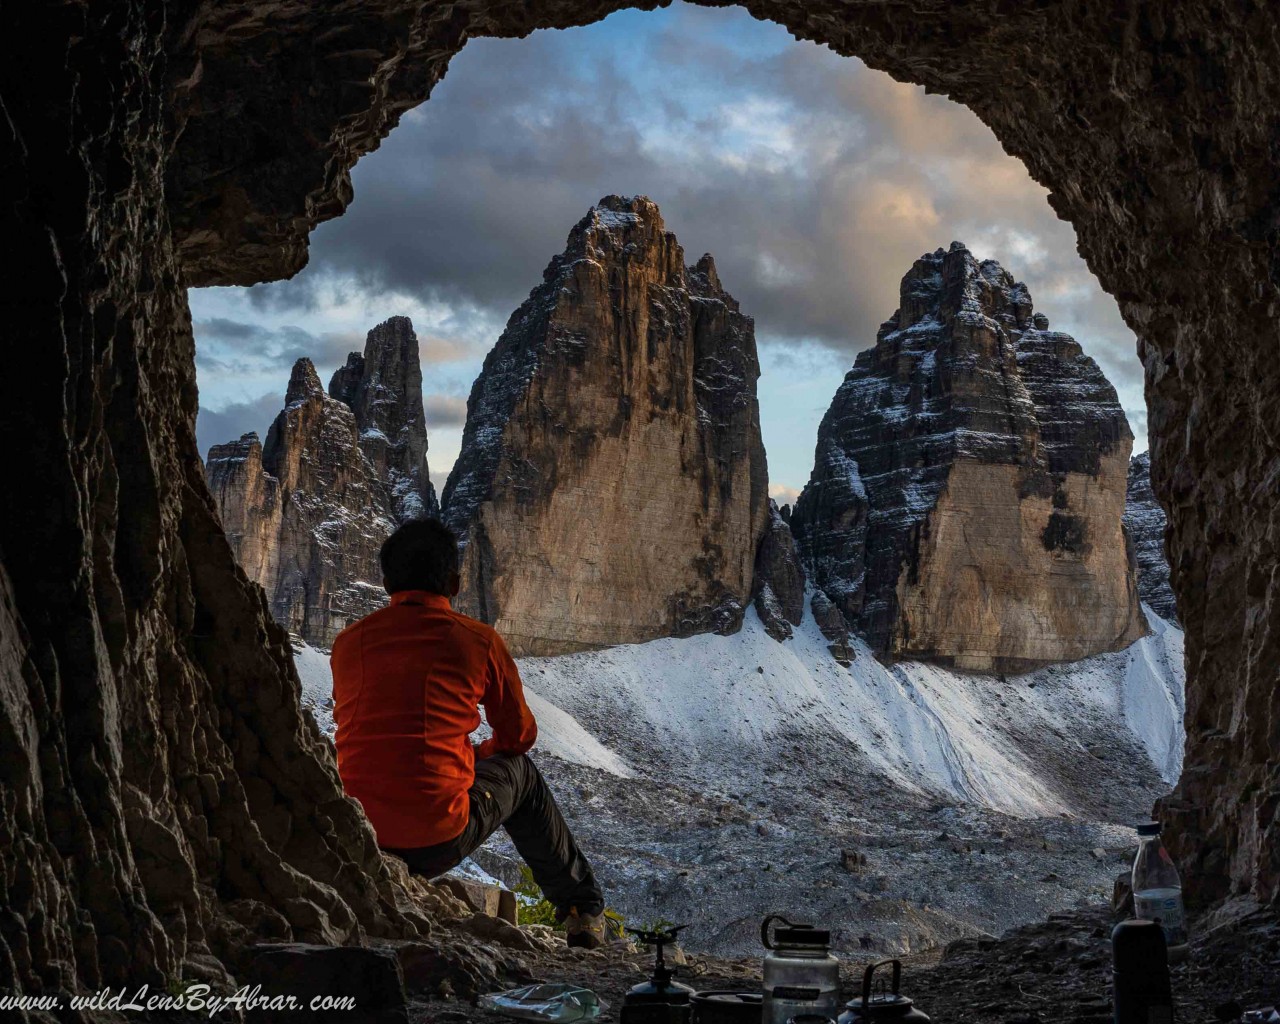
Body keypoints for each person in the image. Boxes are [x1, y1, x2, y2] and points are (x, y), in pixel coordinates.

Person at [331, 517, 606, 948]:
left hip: (360, 834)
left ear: (386, 583)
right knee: (522, 773)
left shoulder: (347, 642)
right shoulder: (477, 641)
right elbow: (519, 738)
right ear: (456, 583)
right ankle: (581, 911)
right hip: (436, 839)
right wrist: (478, 755)